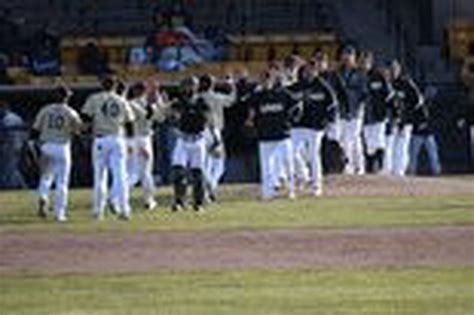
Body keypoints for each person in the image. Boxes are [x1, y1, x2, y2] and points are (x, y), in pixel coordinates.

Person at [81, 76, 135, 220]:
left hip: (100, 139)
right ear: (115, 85)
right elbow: (130, 124)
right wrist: (130, 143)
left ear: (102, 84)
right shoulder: (121, 100)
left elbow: (85, 119)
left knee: (99, 177)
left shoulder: (94, 98)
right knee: (120, 176)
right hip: (118, 138)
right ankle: (125, 210)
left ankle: (98, 211)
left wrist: (84, 132)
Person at [245, 70, 300, 201]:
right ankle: (267, 193)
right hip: (265, 136)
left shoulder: (282, 94)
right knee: (266, 166)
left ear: (273, 80)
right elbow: (251, 112)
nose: (265, 82)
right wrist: (251, 121)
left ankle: (291, 190)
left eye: (267, 79)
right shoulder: (257, 96)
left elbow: (297, 105)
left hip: (283, 134)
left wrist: (291, 121)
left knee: (288, 164)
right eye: (263, 80)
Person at [31, 85, 82, 221]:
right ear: (66, 97)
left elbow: (35, 131)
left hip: (47, 145)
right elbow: (77, 133)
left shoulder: (45, 110)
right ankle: (60, 214)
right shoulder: (71, 112)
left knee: (46, 177)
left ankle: (43, 197)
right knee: (62, 182)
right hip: (62, 147)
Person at [288, 63, 337, 196]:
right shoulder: (296, 86)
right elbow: (285, 97)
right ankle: (302, 175)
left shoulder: (323, 86)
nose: (308, 73)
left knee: (313, 155)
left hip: (316, 126)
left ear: (316, 72)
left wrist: (329, 121)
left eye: (311, 71)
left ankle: (317, 185)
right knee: (291, 153)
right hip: (298, 125)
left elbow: (333, 104)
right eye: (306, 71)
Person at [169, 76, 211, 212]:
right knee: (178, 171)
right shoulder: (179, 102)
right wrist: (175, 119)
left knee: (197, 172)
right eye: (186, 86)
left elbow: (206, 118)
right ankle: (179, 201)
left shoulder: (201, 101)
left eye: (191, 86)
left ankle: (198, 202)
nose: (188, 89)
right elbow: (172, 115)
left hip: (197, 139)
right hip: (183, 139)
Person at [127, 81, 169, 210]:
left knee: (131, 172)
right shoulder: (148, 104)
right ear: (144, 92)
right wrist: (160, 100)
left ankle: (117, 197)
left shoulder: (129, 103)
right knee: (143, 173)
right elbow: (161, 118)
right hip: (143, 139)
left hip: (129, 140)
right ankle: (148, 201)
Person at [198, 74, 236, 201]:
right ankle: (211, 187)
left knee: (205, 163)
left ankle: (206, 190)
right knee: (219, 163)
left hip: (199, 132)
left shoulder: (197, 98)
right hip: (213, 131)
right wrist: (231, 84)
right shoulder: (215, 97)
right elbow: (231, 100)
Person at [390, 60, 424, 176]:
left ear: (399, 70)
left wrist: (408, 113)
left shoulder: (406, 83)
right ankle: (390, 172)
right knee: (391, 147)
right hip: (392, 121)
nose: (392, 72)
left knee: (402, 147)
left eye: (394, 69)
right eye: (390, 69)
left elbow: (418, 99)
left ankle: (400, 172)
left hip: (405, 121)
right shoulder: (387, 83)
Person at [339, 46, 368, 175]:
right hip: (343, 111)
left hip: (356, 111)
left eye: (350, 55)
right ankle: (359, 165)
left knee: (350, 138)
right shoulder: (338, 72)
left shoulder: (360, 73)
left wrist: (359, 109)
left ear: (354, 57)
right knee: (354, 140)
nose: (347, 57)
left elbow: (364, 93)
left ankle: (349, 165)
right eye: (345, 54)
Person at [362, 54, 394, 173]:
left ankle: (380, 165)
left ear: (371, 63)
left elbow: (389, 95)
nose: (365, 64)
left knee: (379, 140)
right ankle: (371, 167)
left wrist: (389, 112)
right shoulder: (359, 76)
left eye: (367, 62)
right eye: (363, 61)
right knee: (369, 143)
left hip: (379, 114)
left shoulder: (378, 76)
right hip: (366, 116)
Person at [409, 86, 442, 175]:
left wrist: (428, 124)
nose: (429, 95)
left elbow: (436, 118)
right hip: (417, 133)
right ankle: (411, 172)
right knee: (413, 155)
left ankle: (437, 172)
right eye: (428, 93)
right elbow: (412, 116)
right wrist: (419, 124)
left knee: (433, 154)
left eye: (431, 94)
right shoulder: (417, 104)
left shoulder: (434, 105)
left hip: (429, 133)